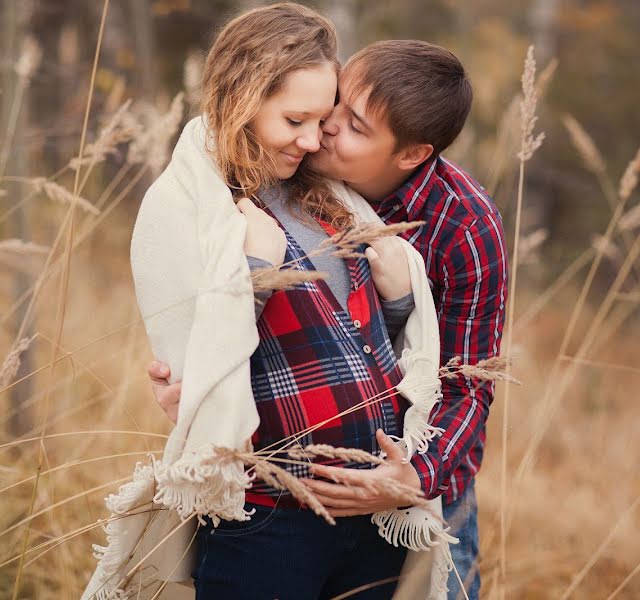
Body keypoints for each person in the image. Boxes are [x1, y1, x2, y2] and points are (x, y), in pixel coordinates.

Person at [89, 4, 454, 600]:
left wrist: (394, 301)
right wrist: (260, 267)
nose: (314, 140)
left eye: (323, 118)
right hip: (269, 519)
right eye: (295, 119)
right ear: (243, 99)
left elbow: (358, 341)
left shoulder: (323, 197)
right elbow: (201, 370)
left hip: (370, 520)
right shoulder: (193, 209)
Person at [149, 39, 508, 600]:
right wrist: (196, 384)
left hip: (416, 484)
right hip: (274, 501)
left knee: (447, 585)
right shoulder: (279, 163)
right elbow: (197, 293)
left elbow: (466, 382)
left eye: (355, 127)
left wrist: (416, 477)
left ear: (411, 154)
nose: (324, 131)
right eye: (331, 106)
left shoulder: (461, 225)